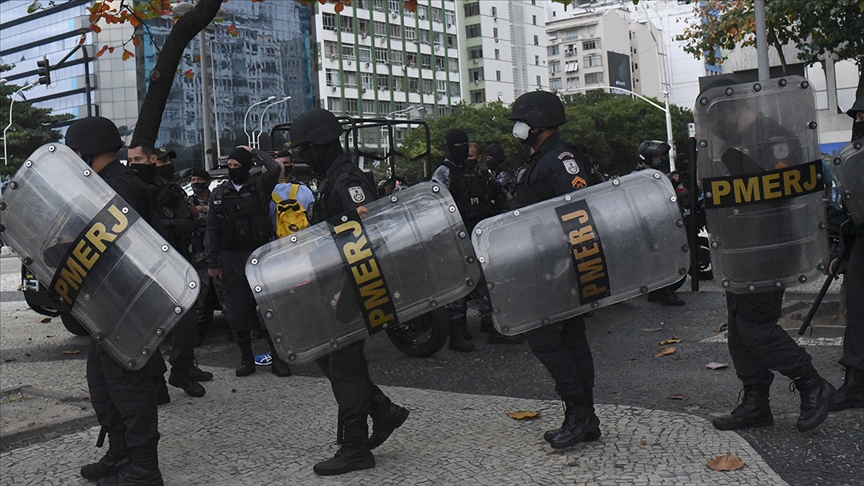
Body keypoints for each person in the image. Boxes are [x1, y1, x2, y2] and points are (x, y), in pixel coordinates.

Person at [289, 108, 409, 476]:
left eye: (305, 148)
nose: (301, 157)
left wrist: (346, 290)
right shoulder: (333, 178)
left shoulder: (347, 182)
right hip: (343, 286)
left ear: (320, 145)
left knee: (344, 366)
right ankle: (382, 410)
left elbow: (369, 238)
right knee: (333, 359)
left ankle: (355, 447)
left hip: (355, 286)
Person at [708, 95, 836, 433]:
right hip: (739, 253)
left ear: (734, 111)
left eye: (718, 119)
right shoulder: (732, 146)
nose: (715, 129)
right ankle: (755, 402)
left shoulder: (776, 138)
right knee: (738, 331)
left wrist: (736, 162)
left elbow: (780, 193)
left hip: (768, 250)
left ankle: (812, 384)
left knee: (757, 328)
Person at [64, 116, 164, 485]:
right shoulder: (107, 183)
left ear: (85, 151)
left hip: (126, 305)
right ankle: (120, 453)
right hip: (107, 305)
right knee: (103, 384)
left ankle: (144, 469)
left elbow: (118, 249)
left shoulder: (120, 187)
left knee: (128, 387)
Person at [505, 91, 602, 449]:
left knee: (546, 339)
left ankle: (578, 413)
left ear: (538, 124)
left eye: (521, 121)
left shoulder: (561, 160)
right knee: (570, 339)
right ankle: (585, 417)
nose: (517, 128)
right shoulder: (540, 160)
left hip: (558, 267)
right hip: (541, 265)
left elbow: (577, 213)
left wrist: (565, 266)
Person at [127, 140, 210, 399]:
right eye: (131, 161)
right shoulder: (132, 188)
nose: (133, 165)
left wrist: (166, 227)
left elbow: (185, 223)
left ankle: (183, 369)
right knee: (149, 328)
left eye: (138, 160)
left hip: (174, 261)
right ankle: (159, 380)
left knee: (185, 320)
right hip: (143, 267)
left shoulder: (170, 190)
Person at [206, 146, 292, 378]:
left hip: (259, 255)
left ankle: (278, 359)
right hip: (231, 258)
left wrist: (255, 151)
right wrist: (213, 263)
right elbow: (212, 230)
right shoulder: (220, 194)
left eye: (238, 166)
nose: (233, 170)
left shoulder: (260, 185)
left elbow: (275, 167)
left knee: (267, 309)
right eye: (230, 166)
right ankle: (246, 359)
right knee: (236, 311)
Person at [431, 131, 521, 349]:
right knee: (461, 284)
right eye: (458, 146)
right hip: (456, 235)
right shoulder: (444, 172)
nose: (463, 150)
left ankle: (492, 325)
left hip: (478, 233)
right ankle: (457, 331)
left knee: (485, 282)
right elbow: (435, 204)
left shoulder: (474, 172)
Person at [826, 96, 864, 411]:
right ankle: (855, 384)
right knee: (859, 315)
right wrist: (842, 252)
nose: (859, 120)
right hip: (861, 244)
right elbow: (852, 210)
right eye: (858, 115)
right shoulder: (854, 161)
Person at [634, 140, 686, 306]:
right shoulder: (638, 176)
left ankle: (659, 291)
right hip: (648, 225)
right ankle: (663, 292)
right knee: (660, 259)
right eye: (655, 157)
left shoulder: (650, 174)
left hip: (658, 223)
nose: (659, 160)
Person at [188, 168, 227, 346]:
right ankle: (196, 334)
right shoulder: (188, 201)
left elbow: (220, 218)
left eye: (199, 179)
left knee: (225, 295)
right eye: (193, 179)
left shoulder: (217, 199)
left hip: (218, 255)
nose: (195, 182)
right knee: (199, 297)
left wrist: (203, 211)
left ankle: (236, 331)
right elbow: (189, 220)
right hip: (197, 257)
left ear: (207, 182)